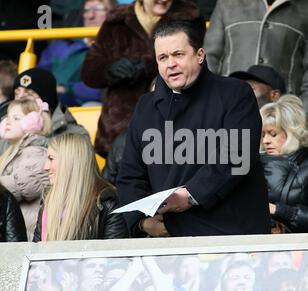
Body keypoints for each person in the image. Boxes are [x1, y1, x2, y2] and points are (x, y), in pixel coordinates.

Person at [117, 19, 271, 237]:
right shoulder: (145, 107)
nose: (170, 64)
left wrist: (190, 195)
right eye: (163, 58)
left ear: (200, 55)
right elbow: (130, 176)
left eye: (178, 54)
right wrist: (141, 222)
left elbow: (237, 158)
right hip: (168, 240)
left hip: (230, 237)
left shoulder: (235, 94)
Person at [81, 0, 203, 158]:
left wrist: (146, 66)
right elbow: (88, 71)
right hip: (119, 129)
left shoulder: (190, 17)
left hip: (178, 128)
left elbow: (197, 61)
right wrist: (111, 68)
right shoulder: (116, 21)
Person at [204, 0, 308, 128]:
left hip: (284, 119)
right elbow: (209, 61)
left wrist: (305, 119)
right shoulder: (227, 5)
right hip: (230, 111)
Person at [260, 95, 308, 233]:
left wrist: (277, 210)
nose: (265, 141)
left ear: (292, 133)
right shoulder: (254, 167)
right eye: (263, 135)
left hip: (300, 248)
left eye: (273, 134)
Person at [33, 133, 128, 241]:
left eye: (51, 159)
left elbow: (115, 255)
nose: (45, 167)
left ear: (70, 163)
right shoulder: (49, 201)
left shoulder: (106, 203)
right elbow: (35, 251)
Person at [37, 0, 117, 107]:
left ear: (113, 14)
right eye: (86, 10)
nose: (90, 15)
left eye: (98, 9)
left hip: (90, 106)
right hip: (51, 103)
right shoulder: (62, 44)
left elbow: (104, 89)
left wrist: (67, 89)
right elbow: (40, 72)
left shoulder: (118, 46)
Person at [0, 68, 90, 155]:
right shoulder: (7, 128)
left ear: (46, 99)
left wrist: (34, 141)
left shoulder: (77, 135)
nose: (19, 98)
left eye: (29, 94)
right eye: (16, 93)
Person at [0, 99, 51, 241]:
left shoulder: (36, 152)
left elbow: (19, 185)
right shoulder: (12, 152)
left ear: (33, 123)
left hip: (27, 236)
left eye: (16, 118)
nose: (8, 122)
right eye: (7, 117)